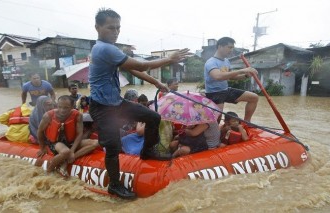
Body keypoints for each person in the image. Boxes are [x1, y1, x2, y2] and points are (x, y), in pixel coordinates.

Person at [89, 8, 190, 199]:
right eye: (111, 28)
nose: (116, 31)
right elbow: (141, 65)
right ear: (97, 27)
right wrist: (169, 58)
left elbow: (134, 71)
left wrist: (157, 83)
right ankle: (115, 185)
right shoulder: (104, 48)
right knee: (113, 147)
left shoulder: (110, 50)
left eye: (118, 28)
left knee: (153, 117)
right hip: (102, 107)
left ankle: (147, 151)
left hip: (116, 102)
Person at [37, 95, 98, 178]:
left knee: (96, 143)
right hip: (56, 143)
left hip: (71, 142)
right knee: (66, 152)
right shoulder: (48, 116)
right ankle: (48, 171)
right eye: (60, 107)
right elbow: (40, 131)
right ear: (57, 105)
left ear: (72, 107)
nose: (62, 110)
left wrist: (72, 151)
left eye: (66, 108)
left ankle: (65, 163)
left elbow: (79, 133)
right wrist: (42, 147)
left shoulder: (78, 115)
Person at [204, 37, 259, 122]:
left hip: (225, 90)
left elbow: (230, 77)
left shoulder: (226, 61)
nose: (231, 50)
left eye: (232, 48)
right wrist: (242, 70)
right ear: (220, 46)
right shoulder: (211, 62)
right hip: (214, 93)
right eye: (229, 47)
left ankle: (247, 122)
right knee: (216, 120)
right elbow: (218, 76)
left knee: (254, 97)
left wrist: (246, 76)